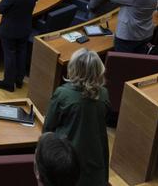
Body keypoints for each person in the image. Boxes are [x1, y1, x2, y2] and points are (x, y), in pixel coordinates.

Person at [44, 48, 109, 186]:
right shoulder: (103, 94)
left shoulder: (62, 94)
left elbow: (48, 127)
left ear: (74, 68)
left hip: (68, 155)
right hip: (96, 154)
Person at [0, 0, 40, 92]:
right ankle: (19, 80)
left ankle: (8, 83)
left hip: (9, 29)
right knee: (21, 52)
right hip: (25, 27)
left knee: (10, 55)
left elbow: (1, 9)